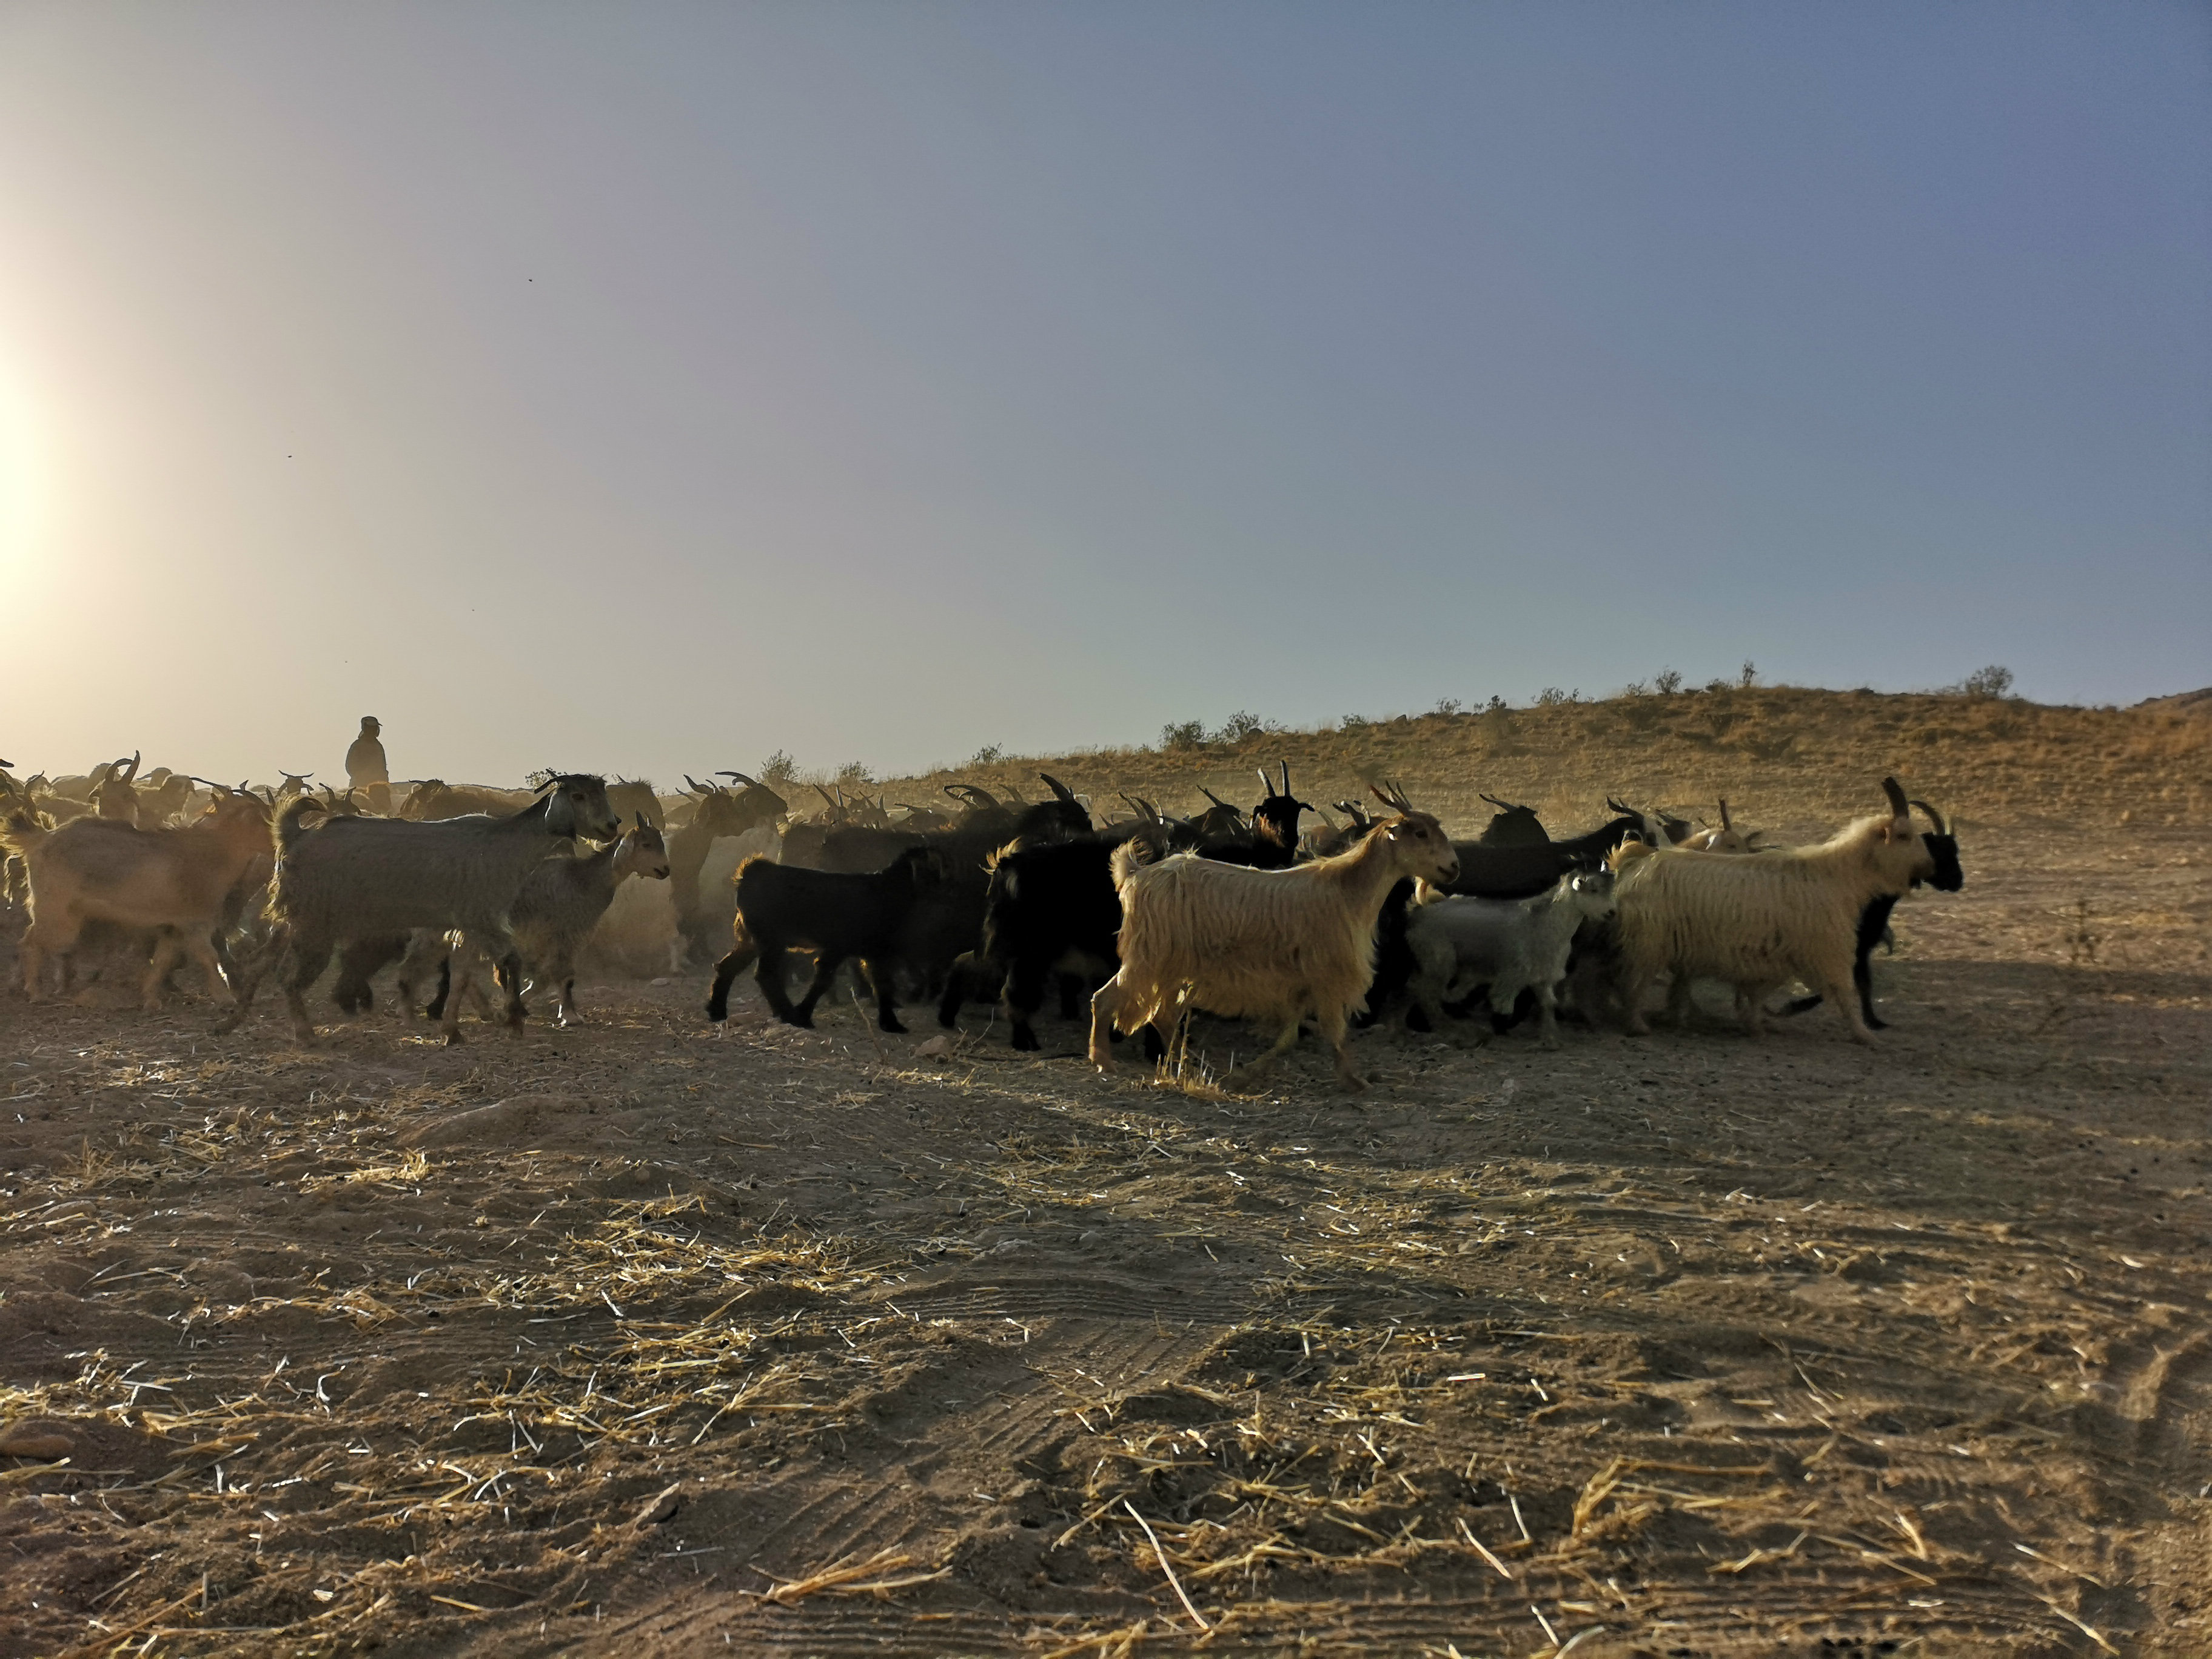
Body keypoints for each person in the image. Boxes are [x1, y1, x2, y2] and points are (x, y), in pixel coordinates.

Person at [345, 716, 390, 814]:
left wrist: (384, 778)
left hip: (378, 788)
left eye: (374, 728)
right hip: (359, 786)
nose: (373, 730)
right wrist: (361, 774)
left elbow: (382, 766)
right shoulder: (358, 745)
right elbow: (350, 766)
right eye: (371, 728)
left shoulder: (378, 746)